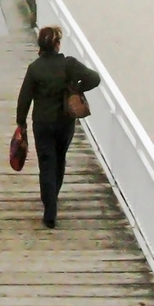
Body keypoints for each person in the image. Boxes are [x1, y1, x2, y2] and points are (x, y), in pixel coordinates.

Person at [16, 26, 101, 229]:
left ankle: (49, 208)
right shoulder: (69, 65)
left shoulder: (35, 68)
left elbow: (24, 99)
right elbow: (95, 78)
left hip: (42, 124)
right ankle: (52, 199)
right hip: (64, 123)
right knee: (59, 159)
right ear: (57, 44)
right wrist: (77, 88)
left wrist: (21, 123)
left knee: (46, 163)